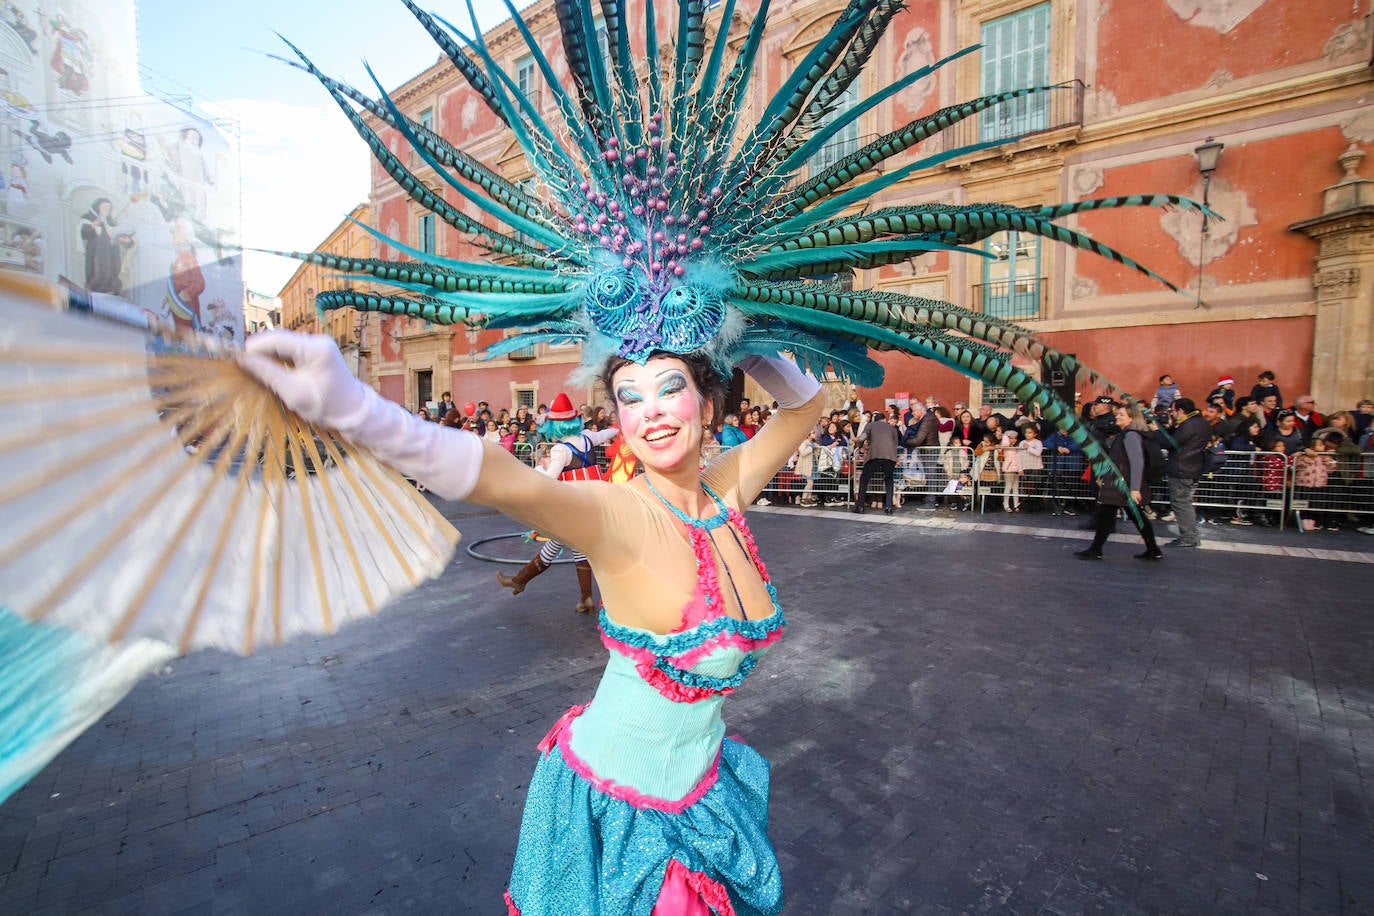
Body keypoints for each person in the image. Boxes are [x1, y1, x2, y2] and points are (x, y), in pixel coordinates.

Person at [243, 333, 822, 912]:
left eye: (671, 389)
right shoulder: (615, 513)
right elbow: (507, 481)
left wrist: (746, 340)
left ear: (709, 405)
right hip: (619, 810)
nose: (652, 412)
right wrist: (353, 406)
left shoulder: (724, 494)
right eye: (629, 397)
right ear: (616, 417)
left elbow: (805, 407)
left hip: (702, 785)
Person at [494, 392, 620, 613]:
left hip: (572, 506)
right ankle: (523, 581)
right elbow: (612, 431)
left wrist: (535, 471)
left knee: (574, 548)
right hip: (593, 503)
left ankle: (524, 582)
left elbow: (548, 479)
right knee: (557, 544)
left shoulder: (561, 450)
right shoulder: (589, 437)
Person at [1076, 403, 1164, 560]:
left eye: (1121, 415)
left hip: (1121, 482)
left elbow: (1137, 462)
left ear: (1131, 419)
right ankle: (1153, 549)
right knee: (1131, 516)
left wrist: (1135, 488)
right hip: (1122, 481)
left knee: (1108, 514)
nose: (1117, 417)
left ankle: (1096, 549)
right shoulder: (1128, 434)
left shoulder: (1131, 436)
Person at [1164, 397, 1209, 549]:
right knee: (1186, 503)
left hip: (1182, 468)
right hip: (1193, 468)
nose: (1172, 414)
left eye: (1173, 411)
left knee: (1181, 504)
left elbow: (1170, 443)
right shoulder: (1201, 422)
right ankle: (1191, 536)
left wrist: (1158, 431)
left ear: (1181, 411)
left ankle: (1189, 538)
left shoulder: (1188, 425)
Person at [852, 410, 899, 514]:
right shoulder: (892, 428)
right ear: (884, 420)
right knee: (889, 480)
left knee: (864, 479)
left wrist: (856, 440)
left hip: (875, 455)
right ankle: (888, 507)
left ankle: (860, 506)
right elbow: (895, 443)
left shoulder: (870, 425)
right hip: (890, 456)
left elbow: (863, 438)